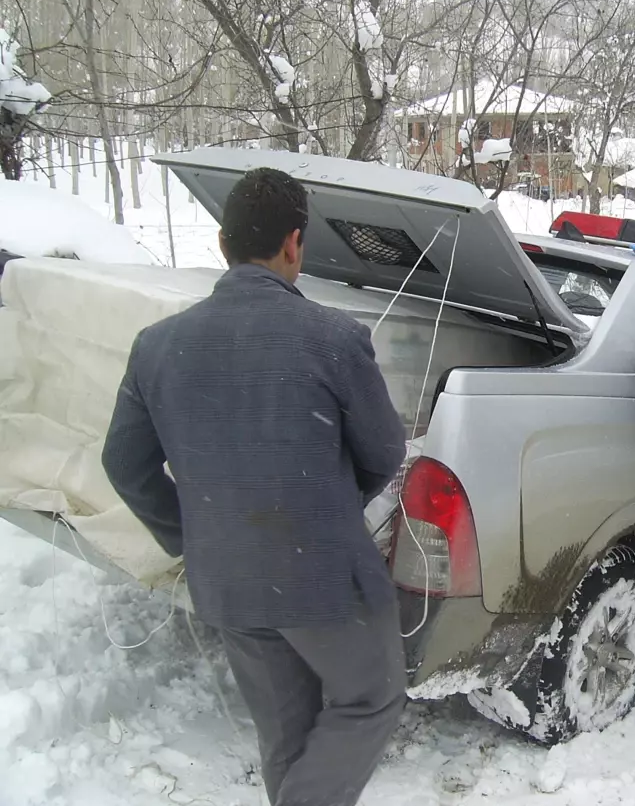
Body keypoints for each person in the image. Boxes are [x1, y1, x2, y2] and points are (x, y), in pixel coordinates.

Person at [101, 167, 409, 806]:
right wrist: (326, 508)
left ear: (223, 242)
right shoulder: (333, 338)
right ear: (294, 243)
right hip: (323, 578)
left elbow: (123, 463)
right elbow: (385, 451)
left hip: (229, 581)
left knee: (287, 738)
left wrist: (195, 533)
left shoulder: (158, 345)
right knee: (371, 698)